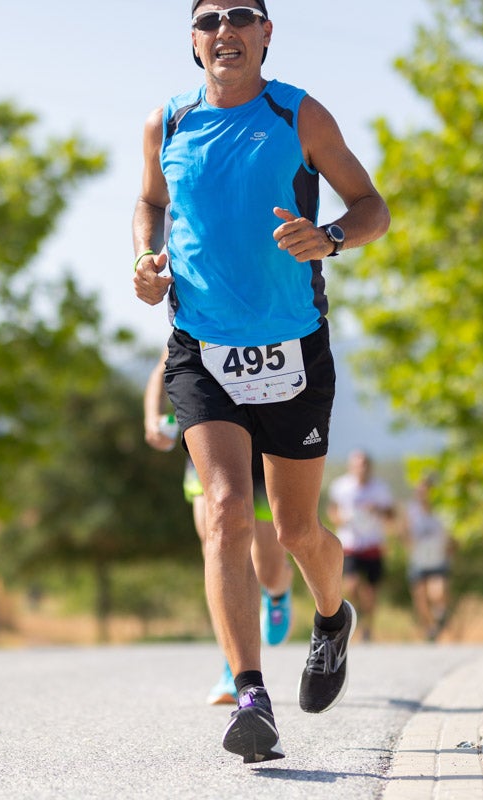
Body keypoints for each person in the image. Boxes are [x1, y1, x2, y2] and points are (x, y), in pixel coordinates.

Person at [132, 0, 391, 763]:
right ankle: (250, 694)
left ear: (266, 34)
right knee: (224, 511)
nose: (226, 30)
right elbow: (149, 201)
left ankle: (332, 617)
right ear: (193, 40)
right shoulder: (167, 124)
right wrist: (145, 258)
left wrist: (331, 236)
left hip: (293, 347)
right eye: (210, 19)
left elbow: (372, 207)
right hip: (200, 349)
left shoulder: (298, 114)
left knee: (298, 530)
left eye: (242, 16)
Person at [144, 348, 295, 705]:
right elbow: (162, 368)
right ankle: (234, 667)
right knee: (220, 549)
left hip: (262, 441)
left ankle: (278, 591)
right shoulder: (196, 320)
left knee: (267, 567)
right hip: (208, 437)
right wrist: (152, 418)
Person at [326, 450, 395, 642]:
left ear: (370, 467)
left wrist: (377, 509)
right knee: (352, 585)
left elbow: (391, 514)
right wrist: (341, 519)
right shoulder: (341, 486)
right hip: (350, 544)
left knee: (371, 591)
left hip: (373, 543)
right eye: (357, 464)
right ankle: (354, 616)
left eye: (364, 464)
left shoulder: (380, 488)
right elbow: (332, 511)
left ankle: (367, 627)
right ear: (351, 466)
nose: (361, 468)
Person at [400, 476, 454, 641]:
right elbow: (404, 535)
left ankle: (440, 614)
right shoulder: (411, 513)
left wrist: (450, 549)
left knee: (438, 592)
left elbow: (451, 535)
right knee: (421, 598)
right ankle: (430, 629)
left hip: (438, 559)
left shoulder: (442, 511)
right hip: (418, 560)